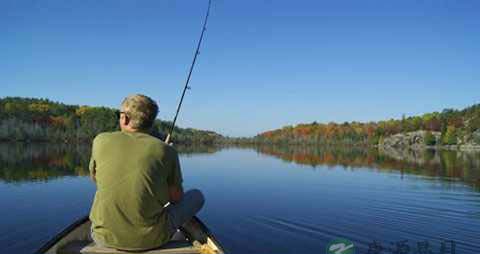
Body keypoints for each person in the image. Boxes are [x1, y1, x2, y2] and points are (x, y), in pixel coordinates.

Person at [88, 94, 205, 251]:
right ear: (150, 122)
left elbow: (95, 179)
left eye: (119, 115)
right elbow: (176, 198)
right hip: (152, 240)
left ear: (125, 119)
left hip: (102, 237)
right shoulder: (167, 151)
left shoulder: (100, 140)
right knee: (197, 196)